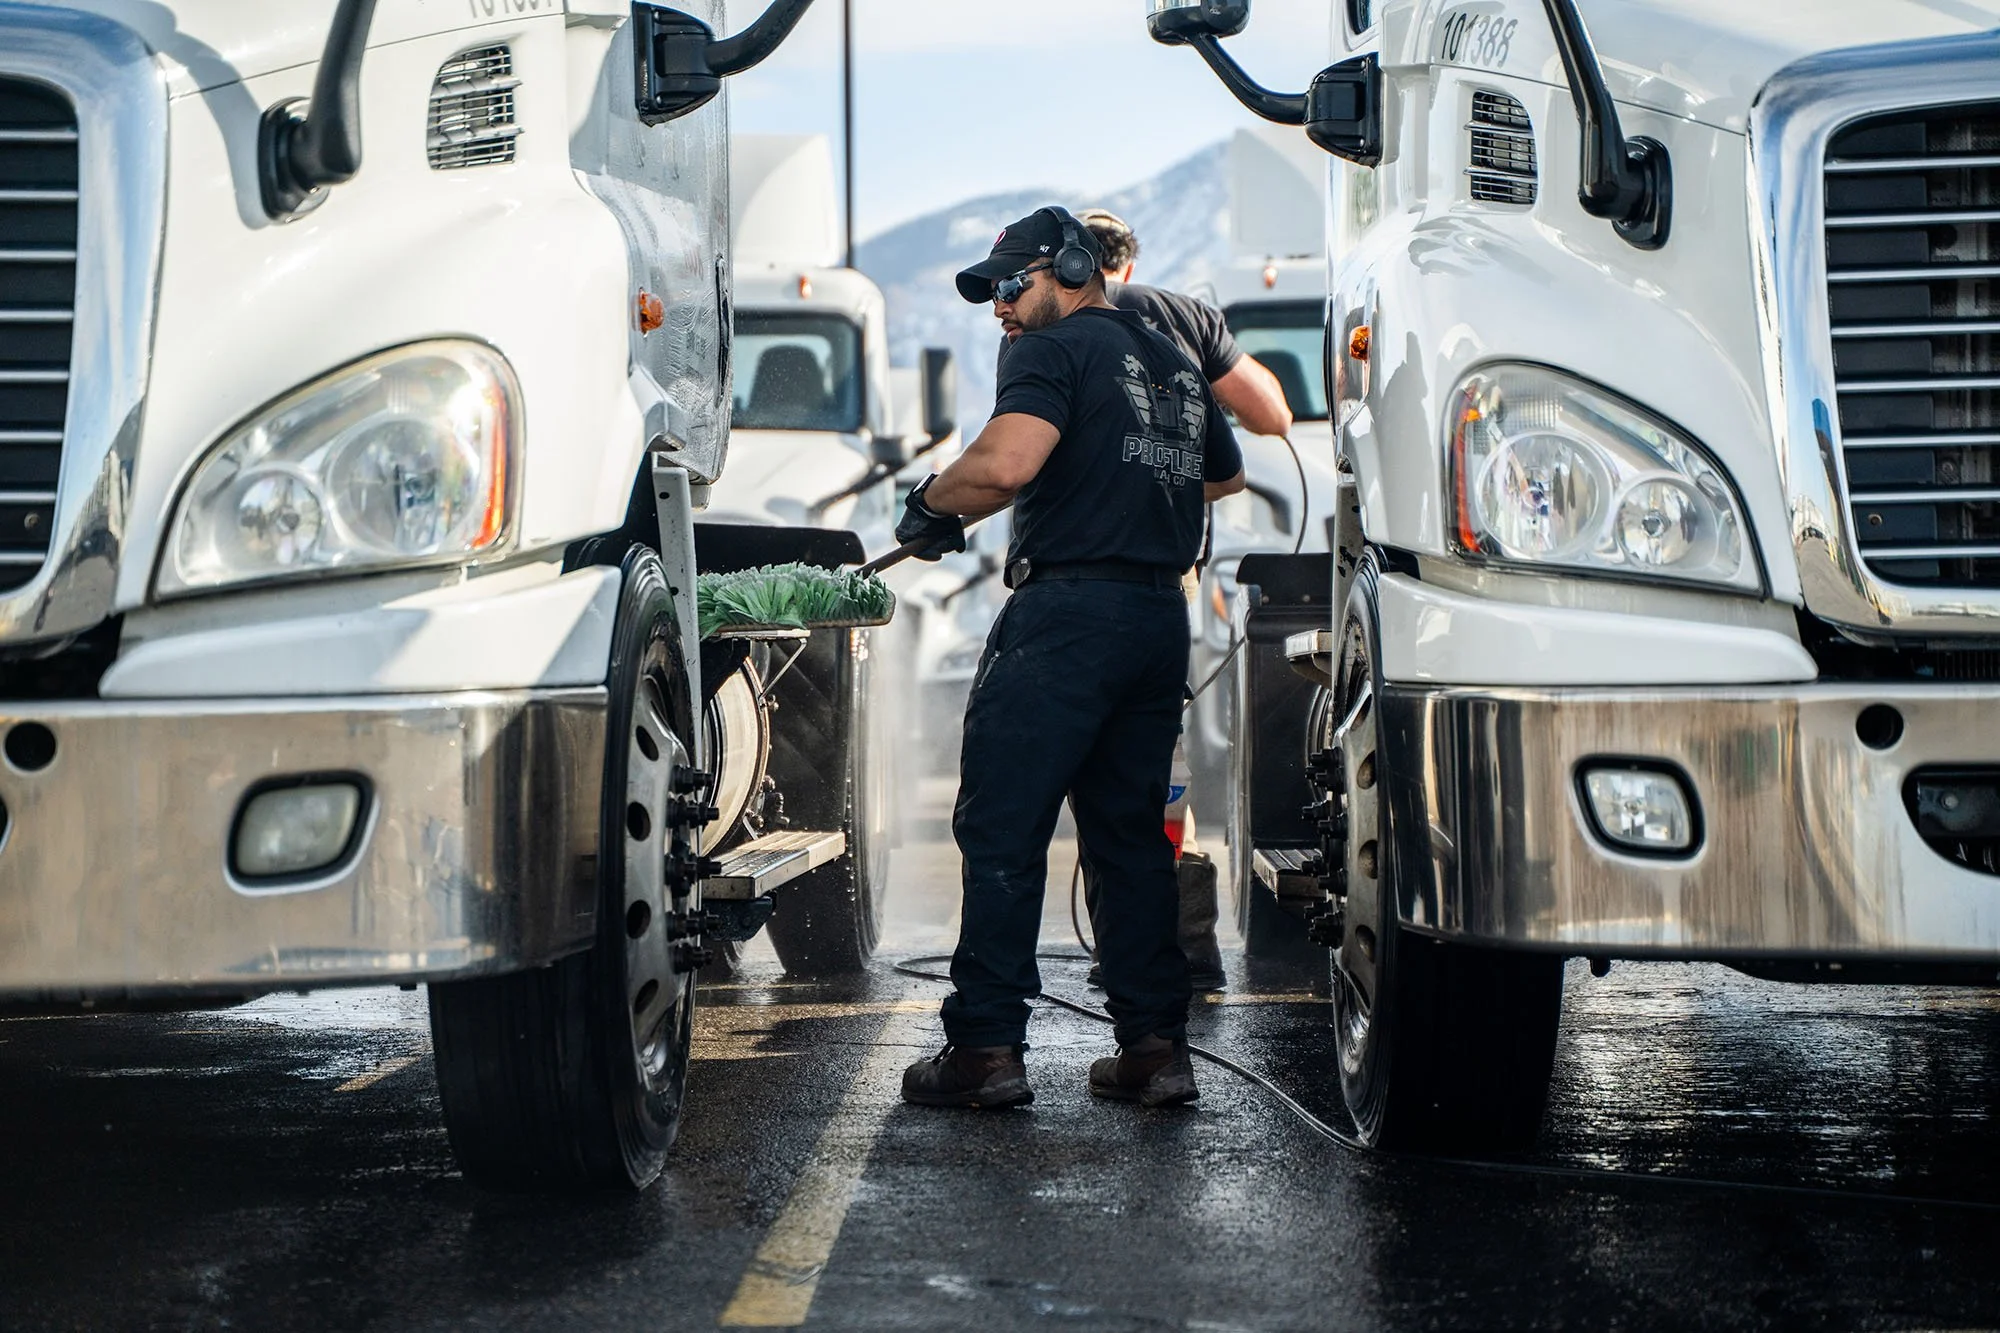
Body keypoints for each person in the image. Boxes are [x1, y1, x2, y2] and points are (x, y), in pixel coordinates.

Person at [894, 206, 1246, 1111]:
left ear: (1076, 267)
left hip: (1068, 614)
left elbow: (1005, 464)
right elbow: (1222, 472)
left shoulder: (1051, 351)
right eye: (992, 293)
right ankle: (1157, 1049)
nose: (1001, 310)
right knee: (1129, 839)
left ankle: (984, 1051)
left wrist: (932, 504)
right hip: (1153, 620)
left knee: (1003, 828)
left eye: (1014, 286)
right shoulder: (1172, 352)